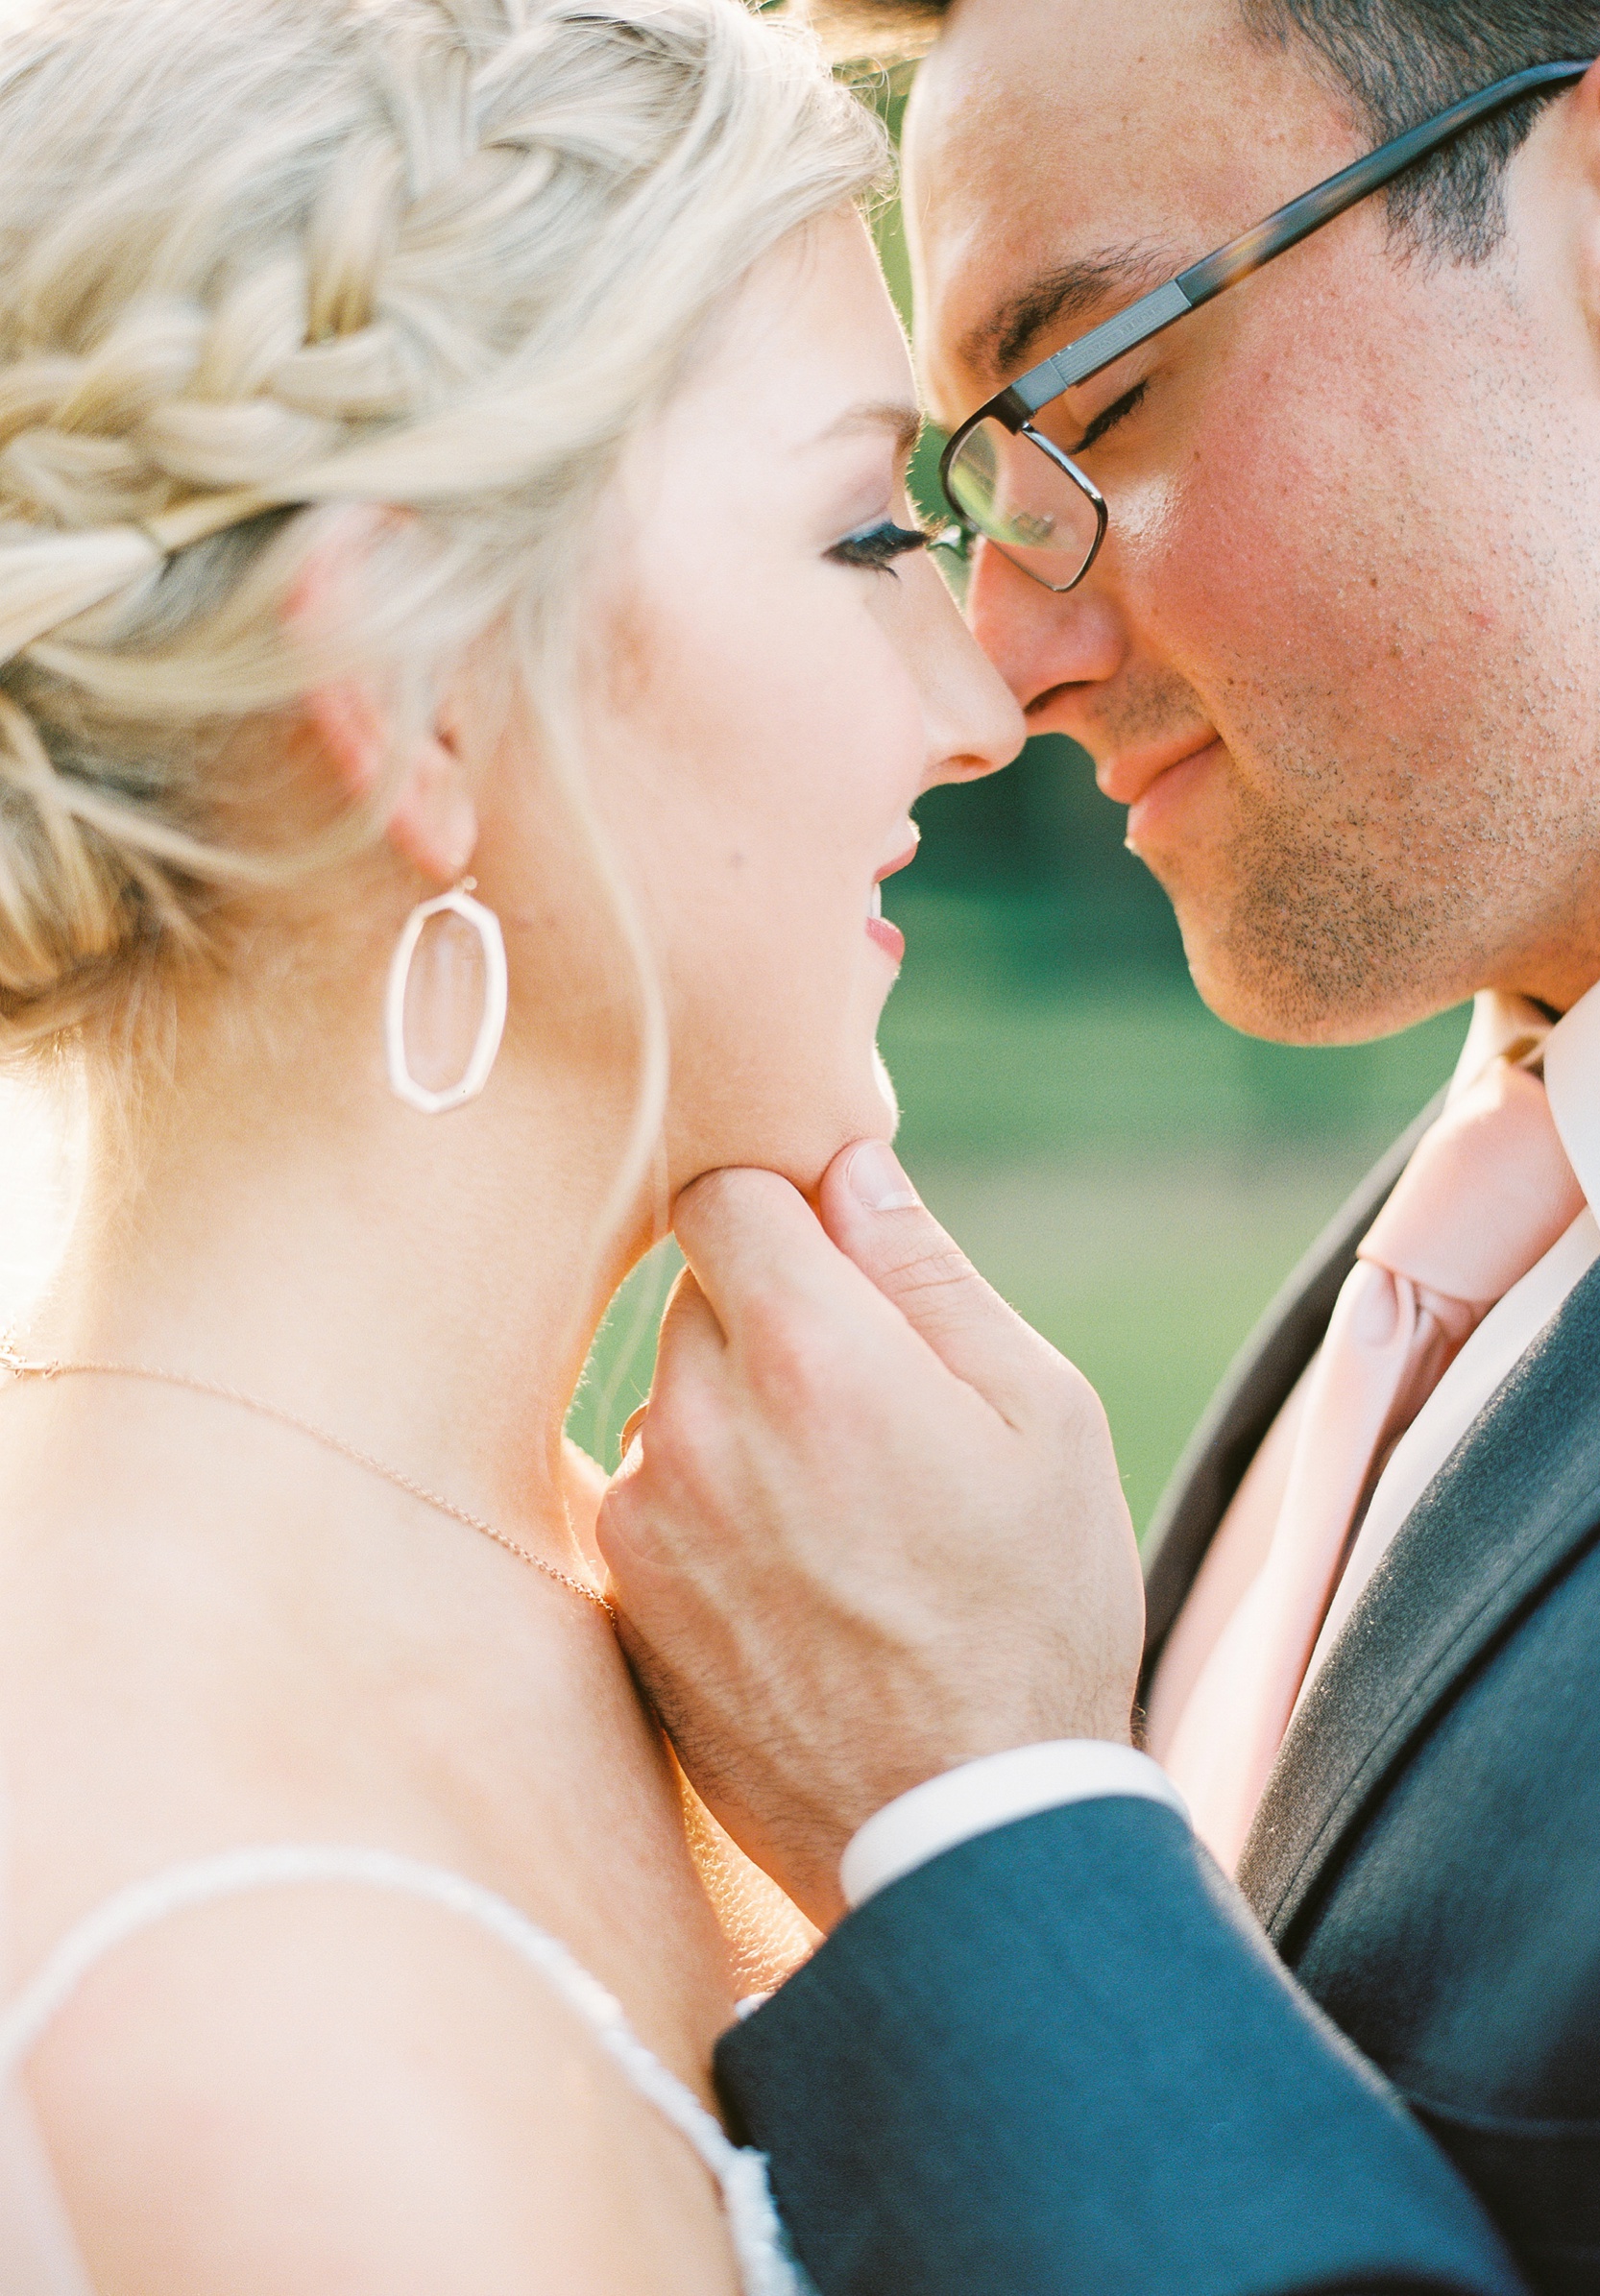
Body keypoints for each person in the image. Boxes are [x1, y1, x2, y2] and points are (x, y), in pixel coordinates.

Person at [597, 3, 1600, 2291]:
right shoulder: (1493, 1215)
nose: (1004, 651)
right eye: (957, 487)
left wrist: (973, 1805)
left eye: (1095, 390)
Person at [0, 0, 1026, 2287]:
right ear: (419, 685)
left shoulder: (731, 1596)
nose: (981, 707)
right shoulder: (248, 1990)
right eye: (871, 531)